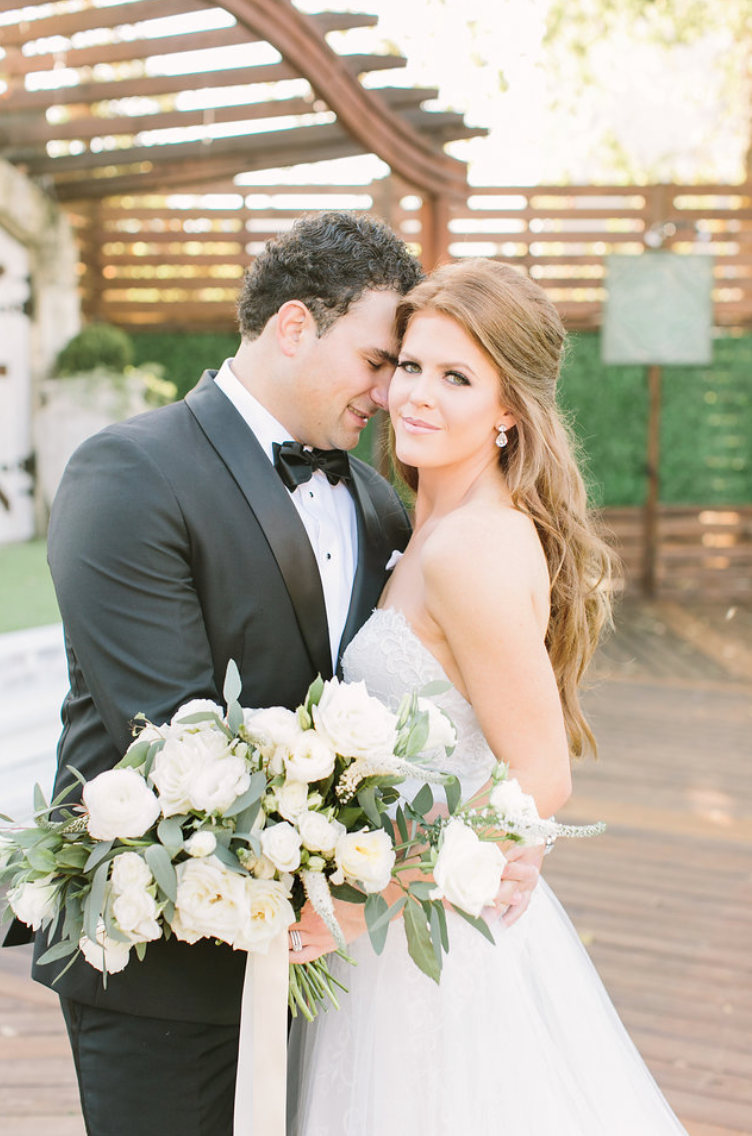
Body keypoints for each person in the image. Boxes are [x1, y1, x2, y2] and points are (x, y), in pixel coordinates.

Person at [4, 215, 540, 1136]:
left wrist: (475, 828)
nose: (392, 392)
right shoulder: (131, 471)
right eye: (383, 360)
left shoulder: (378, 503)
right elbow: (166, 739)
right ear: (295, 328)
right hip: (167, 958)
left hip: (334, 967)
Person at [285, 258, 690, 1134]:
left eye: (458, 377)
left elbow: (542, 777)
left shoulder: (473, 545)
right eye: (411, 367)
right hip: (403, 923)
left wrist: (369, 901)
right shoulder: (415, 528)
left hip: (433, 944)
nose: (416, 396)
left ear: (508, 411)